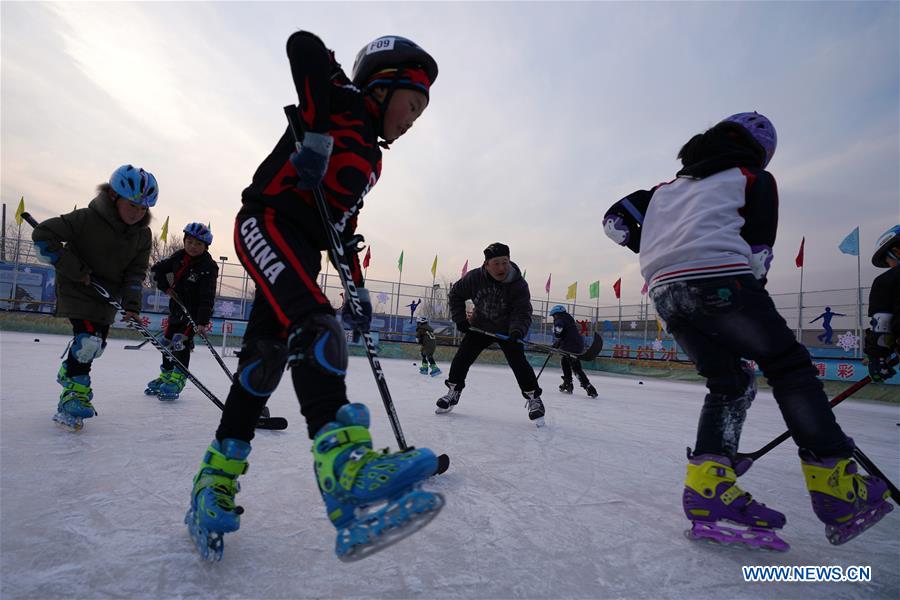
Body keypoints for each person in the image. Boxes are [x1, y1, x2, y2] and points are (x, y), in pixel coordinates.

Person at [184, 31, 442, 561]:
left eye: (420, 113)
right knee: (316, 327)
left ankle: (214, 478)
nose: (412, 119)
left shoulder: (372, 157)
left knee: (264, 362)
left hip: (301, 247)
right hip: (266, 220)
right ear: (379, 87)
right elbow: (302, 43)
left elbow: (343, 228)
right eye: (411, 103)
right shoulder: (342, 100)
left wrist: (360, 286)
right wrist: (318, 132)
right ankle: (344, 463)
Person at [603, 111, 891, 549]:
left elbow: (613, 222)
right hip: (721, 281)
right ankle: (838, 488)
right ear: (761, 152)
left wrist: (653, 243)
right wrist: (746, 301)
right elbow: (758, 254)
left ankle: (709, 487)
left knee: (730, 381)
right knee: (789, 367)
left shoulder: (663, 191)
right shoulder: (753, 177)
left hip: (665, 293)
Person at [32, 164, 156, 430]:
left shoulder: (143, 236)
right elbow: (43, 235)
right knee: (88, 342)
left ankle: (70, 372)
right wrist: (73, 268)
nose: (137, 213)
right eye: (132, 205)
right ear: (114, 196)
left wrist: (132, 305)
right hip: (77, 287)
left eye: (143, 208)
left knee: (95, 346)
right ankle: (74, 394)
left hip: (106, 294)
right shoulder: (86, 218)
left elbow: (136, 273)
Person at [436, 242, 545, 425]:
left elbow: (523, 311)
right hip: (480, 326)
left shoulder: (518, 284)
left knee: (519, 363)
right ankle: (453, 392)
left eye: (505, 262)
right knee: (462, 358)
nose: (502, 267)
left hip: (507, 330)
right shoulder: (475, 278)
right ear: (486, 264)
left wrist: (517, 330)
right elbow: (455, 295)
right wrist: (460, 319)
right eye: (496, 263)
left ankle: (534, 398)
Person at [144, 223, 218, 400]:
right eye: (190, 242)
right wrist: (166, 287)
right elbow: (156, 271)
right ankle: (166, 376)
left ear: (205, 247)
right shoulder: (178, 257)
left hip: (194, 312)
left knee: (180, 342)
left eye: (198, 244)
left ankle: (178, 378)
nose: (193, 246)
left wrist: (202, 322)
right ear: (184, 241)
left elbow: (207, 297)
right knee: (166, 343)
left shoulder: (208, 266)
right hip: (177, 309)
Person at [864, 225, 900, 383]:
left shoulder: (887, 280)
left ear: (896, 252)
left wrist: (877, 358)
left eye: (888, 260)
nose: (890, 264)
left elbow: (882, 323)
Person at [548, 305, 597, 398]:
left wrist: (557, 332)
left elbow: (559, 332)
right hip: (575, 345)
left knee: (575, 367)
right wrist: (556, 345)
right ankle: (568, 383)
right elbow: (566, 336)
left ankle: (589, 387)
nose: (553, 318)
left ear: (557, 314)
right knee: (565, 362)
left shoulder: (560, 319)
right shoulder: (569, 320)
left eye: (553, 315)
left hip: (571, 347)